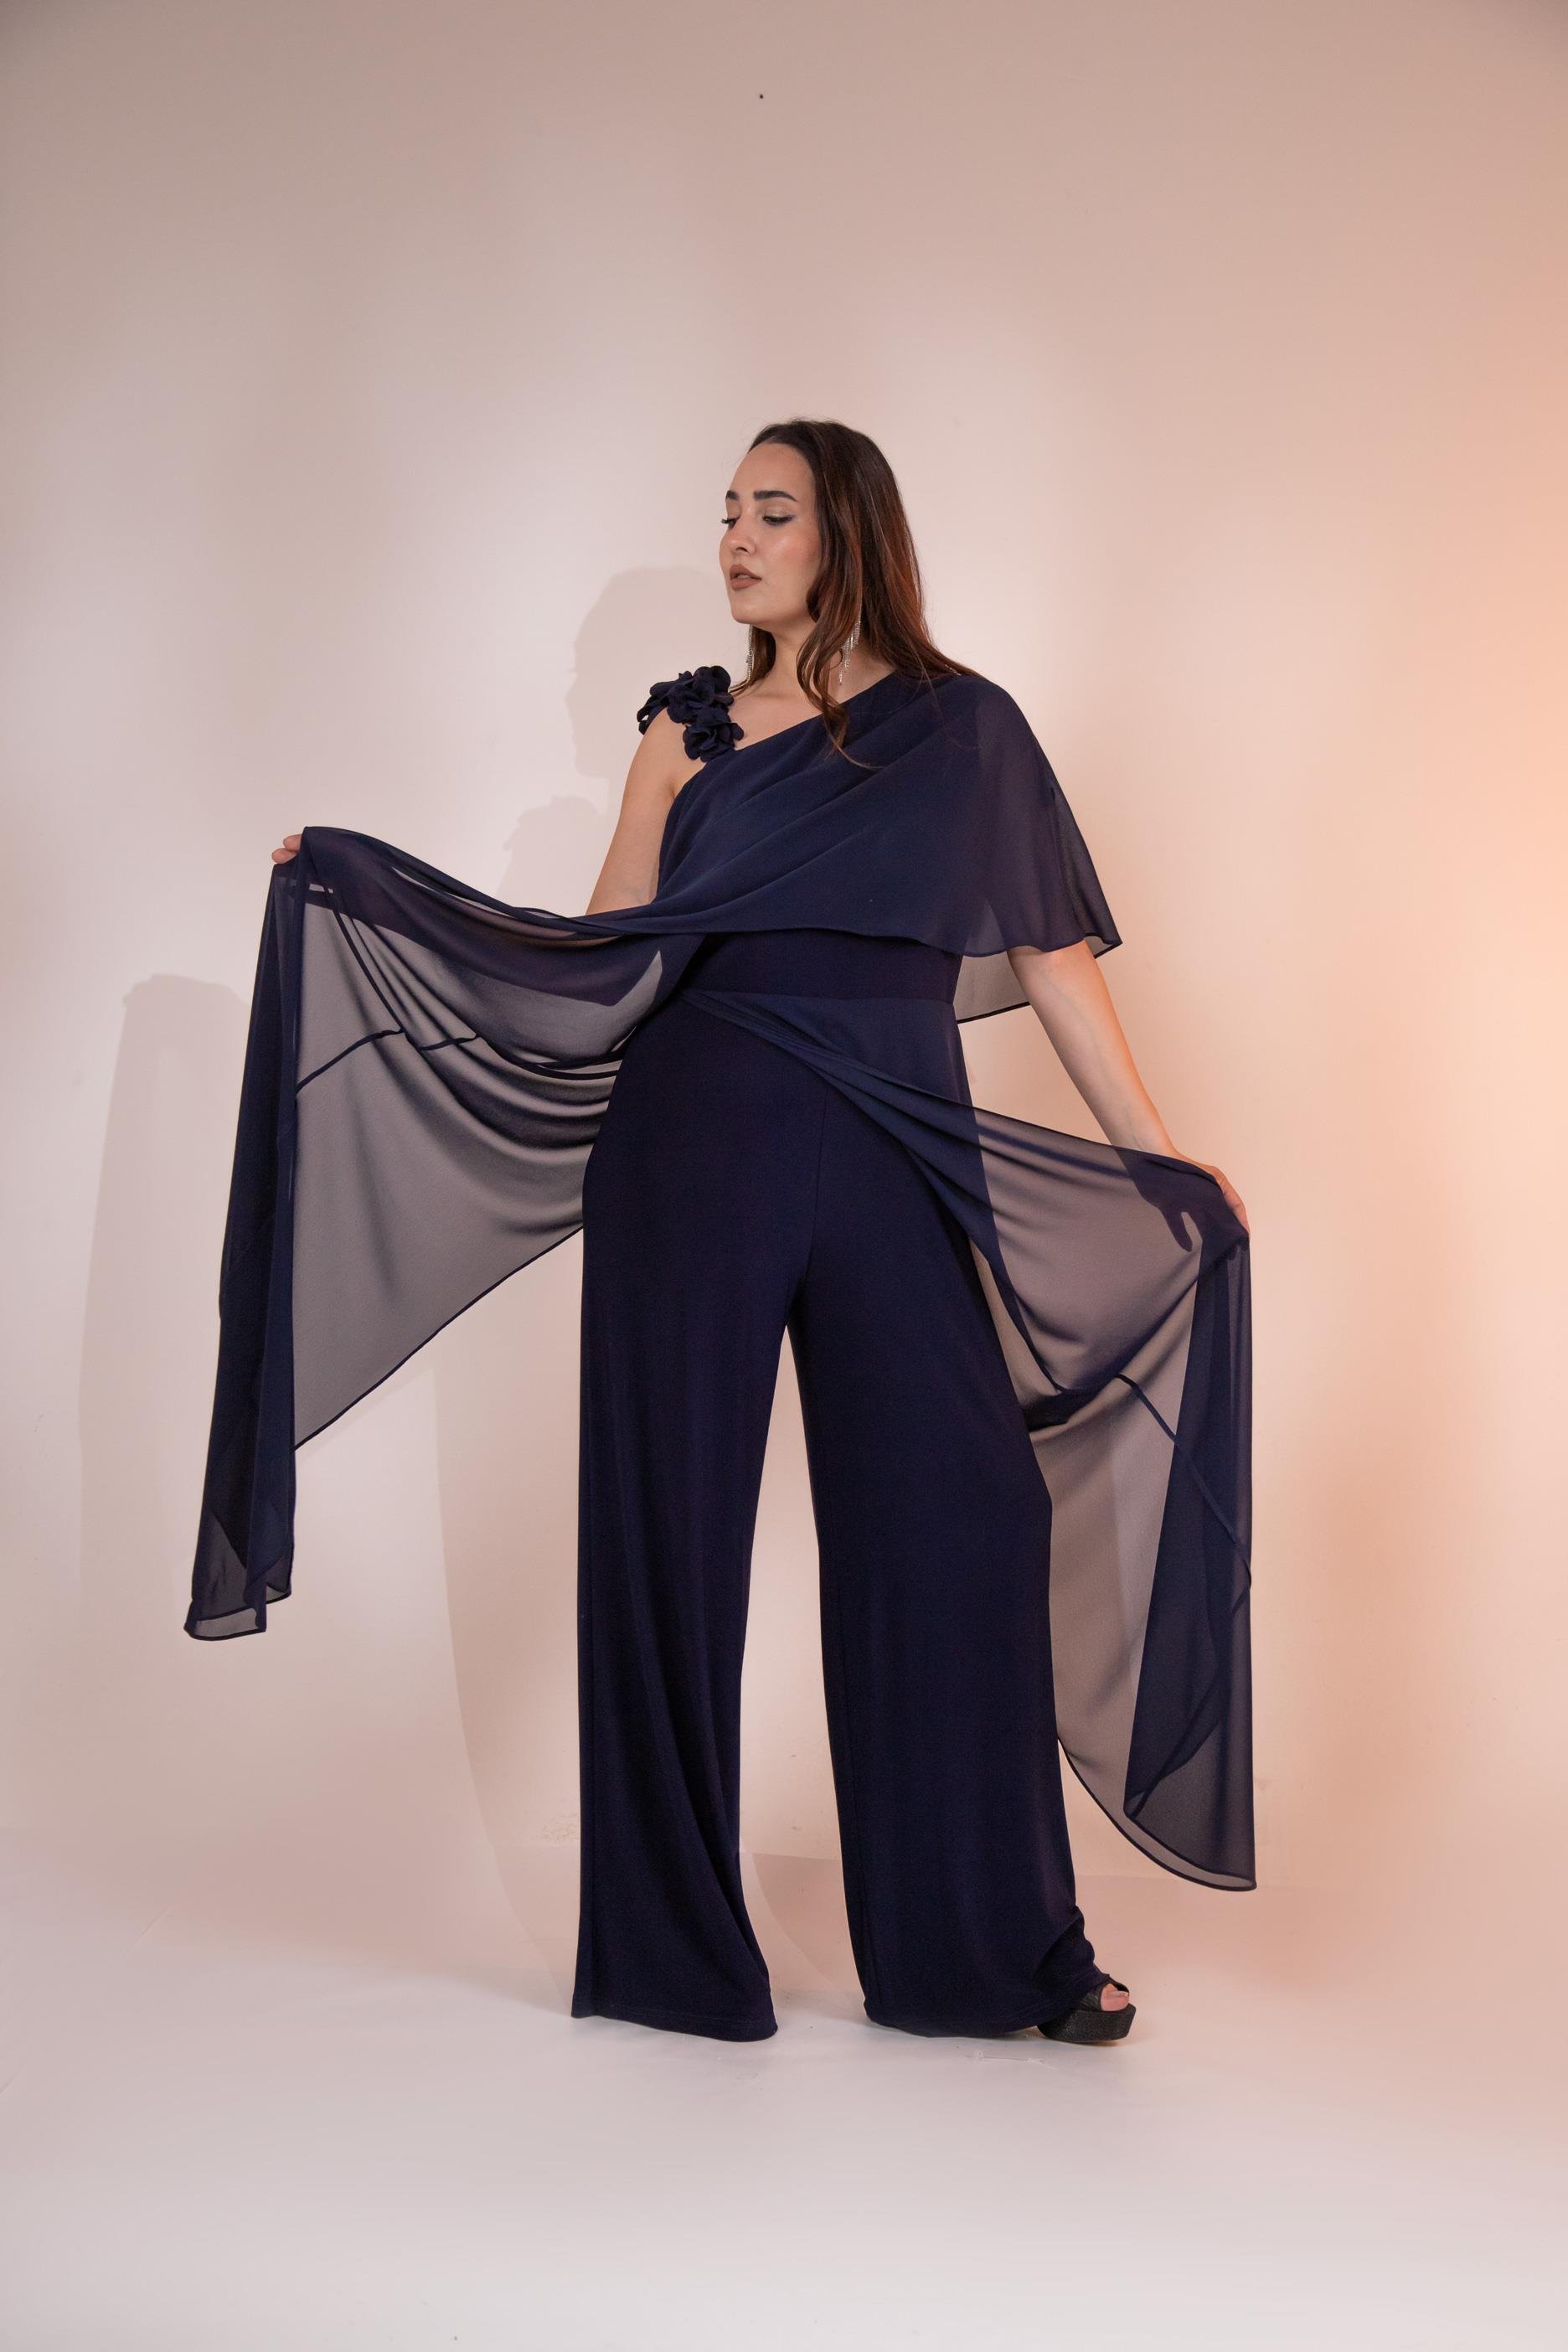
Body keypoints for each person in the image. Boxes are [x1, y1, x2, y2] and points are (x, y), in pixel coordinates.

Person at [219, 417, 1254, 2050]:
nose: (738, 539)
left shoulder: (967, 730)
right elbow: (604, 954)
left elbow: (1056, 959)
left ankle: (989, 1952)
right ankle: (671, 1956)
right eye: (727, 513)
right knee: (668, 1528)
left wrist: (1161, 1159)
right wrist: (370, 883)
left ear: (850, 533)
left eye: (772, 512)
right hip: (693, 1139)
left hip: (894, 1144)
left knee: (964, 1514)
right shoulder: (684, 734)